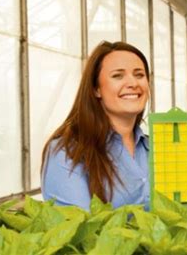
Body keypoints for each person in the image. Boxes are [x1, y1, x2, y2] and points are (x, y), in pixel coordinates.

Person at [41, 41, 150, 211]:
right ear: (96, 89)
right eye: (118, 76)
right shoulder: (68, 151)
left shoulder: (154, 148)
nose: (133, 83)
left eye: (139, 75)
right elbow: (79, 229)